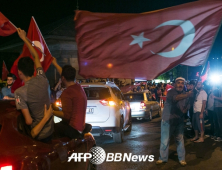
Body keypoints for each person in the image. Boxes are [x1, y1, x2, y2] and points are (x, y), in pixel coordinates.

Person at [14, 28, 53, 142]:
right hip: (50, 131)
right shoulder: (42, 77)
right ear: (33, 69)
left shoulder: (19, 93)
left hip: (38, 136)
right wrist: (25, 38)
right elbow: (36, 56)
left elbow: (29, 121)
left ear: (20, 73)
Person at [156, 77, 193, 166]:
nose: (180, 85)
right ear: (175, 84)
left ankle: (182, 159)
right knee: (165, 140)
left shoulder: (185, 93)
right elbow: (176, 98)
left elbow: (188, 105)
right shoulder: (171, 92)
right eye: (178, 83)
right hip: (167, 120)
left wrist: (186, 108)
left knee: (180, 140)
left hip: (179, 120)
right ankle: (163, 158)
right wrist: (188, 95)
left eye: (182, 83)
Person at [51, 57, 87, 139]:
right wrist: (56, 64)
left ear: (63, 78)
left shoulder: (67, 93)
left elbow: (66, 116)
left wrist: (51, 112)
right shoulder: (78, 87)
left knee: (50, 129)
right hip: (80, 127)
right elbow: (65, 75)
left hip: (73, 130)